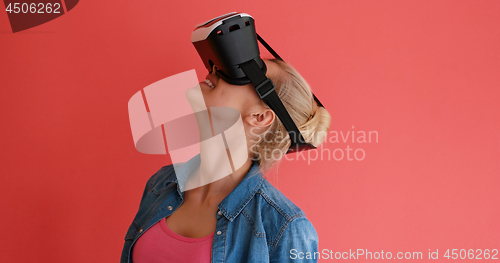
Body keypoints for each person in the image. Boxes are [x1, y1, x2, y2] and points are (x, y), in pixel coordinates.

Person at [120, 58, 331, 263]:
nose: (216, 68)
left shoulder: (284, 228)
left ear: (259, 117)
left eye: (242, 71)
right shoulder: (161, 183)